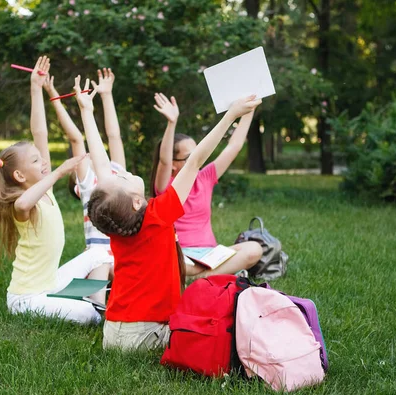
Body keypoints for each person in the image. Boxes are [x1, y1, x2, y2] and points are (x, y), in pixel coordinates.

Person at [74, 74, 261, 351]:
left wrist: (87, 111)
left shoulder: (115, 220)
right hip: (145, 335)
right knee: (214, 330)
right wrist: (230, 115)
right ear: (137, 202)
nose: (120, 173)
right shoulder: (158, 215)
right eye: (122, 178)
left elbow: (101, 164)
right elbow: (196, 160)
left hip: (111, 333)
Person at [0, 57, 109, 324]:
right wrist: (58, 171)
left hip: (51, 283)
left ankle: (97, 303)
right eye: (35, 161)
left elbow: (39, 132)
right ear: (19, 176)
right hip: (26, 299)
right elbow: (21, 206)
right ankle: (93, 310)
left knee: (100, 254)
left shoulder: (46, 191)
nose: (43, 161)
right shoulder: (21, 202)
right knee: (87, 317)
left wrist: (36, 87)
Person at [150, 93, 262, 278]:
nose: (197, 158)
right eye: (189, 156)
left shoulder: (205, 177)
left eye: (197, 152)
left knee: (254, 249)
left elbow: (234, 146)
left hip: (211, 254)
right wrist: (171, 123)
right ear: (174, 164)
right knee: (176, 265)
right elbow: (163, 160)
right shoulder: (166, 187)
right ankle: (215, 276)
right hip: (181, 256)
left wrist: (249, 109)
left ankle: (202, 278)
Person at [43, 68, 125, 285]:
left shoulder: (117, 171)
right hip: (98, 263)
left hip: (122, 258)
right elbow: (76, 138)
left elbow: (114, 136)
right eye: (84, 158)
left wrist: (106, 95)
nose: (89, 154)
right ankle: (96, 303)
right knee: (104, 266)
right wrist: (55, 97)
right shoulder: (91, 186)